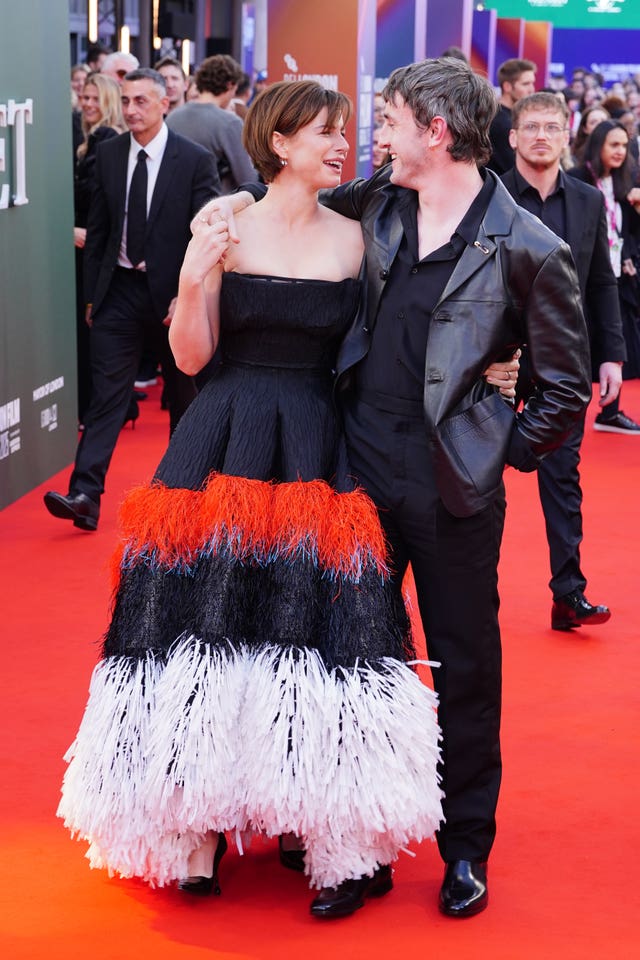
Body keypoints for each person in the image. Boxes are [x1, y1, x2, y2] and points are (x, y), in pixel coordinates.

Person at [55, 79, 445, 919]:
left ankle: (318, 819)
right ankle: (197, 827)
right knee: (205, 619)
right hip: (223, 436)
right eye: (325, 134)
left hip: (317, 443)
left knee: (315, 624)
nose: (343, 146)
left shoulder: (358, 239)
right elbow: (190, 362)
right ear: (279, 144)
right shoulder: (225, 227)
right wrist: (194, 280)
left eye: (346, 132)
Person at [213, 57, 591, 917]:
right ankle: (359, 847)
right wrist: (223, 211)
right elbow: (286, 203)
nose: (370, 137)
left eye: (385, 120)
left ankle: (466, 848)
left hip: (455, 494)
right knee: (355, 664)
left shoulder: (529, 244)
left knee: (464, 667)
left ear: (437, 131)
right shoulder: (378, 202)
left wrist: (499, 449)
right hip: (354, 472)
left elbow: (565, 390)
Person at [43, 68, 219, 532]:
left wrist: (190, 294)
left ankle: (187, 496)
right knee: (106, 397)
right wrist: (92, 297)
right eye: (125, 100)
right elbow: (99, 231)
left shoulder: (194, 159)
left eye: (141, 100)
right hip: (119, 290)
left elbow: (205, 235)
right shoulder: (108, 154)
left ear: (165, 104)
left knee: (184, 397)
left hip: (173, 295)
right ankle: (84, 495)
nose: (131, 109)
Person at [502, 92, 624, 629]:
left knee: (563, 477)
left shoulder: (588, 200)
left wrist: (612, 354)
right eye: (531, 126)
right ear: (513, 135)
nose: (541, 136)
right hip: (495, 361)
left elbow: (601, 282)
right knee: (476, 480)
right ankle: (474, 590)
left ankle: (568, 592)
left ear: (566, 132)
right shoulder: (490, 194)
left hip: (562, 364)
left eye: (552, 126)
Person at [570, 120, 640, 433]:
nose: (620, 152)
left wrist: (626, 256)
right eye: (613, 145)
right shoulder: (576, 180)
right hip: (580, 277)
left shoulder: (624, 185)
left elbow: (624, 231)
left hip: (614, 276)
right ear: (598, 145)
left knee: (616, 341)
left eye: (624, 146)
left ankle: (610, 411)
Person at [73, 73, 125, 425]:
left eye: (95, 98)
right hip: (88, 245)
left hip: (91, 247)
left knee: (92, 329)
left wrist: (83, 231)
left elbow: (102, 204)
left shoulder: (106, 139)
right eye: (85, 97)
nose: (88, 103)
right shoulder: (90, 140)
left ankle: (95, 408)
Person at [166, 54, 256, 194]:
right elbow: (247, 179)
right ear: (230, 85)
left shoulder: (172, 118)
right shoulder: (229, 123)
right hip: (215, 206)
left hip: (174, 202)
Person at [487, 58, 536, 175]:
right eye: (525, 84)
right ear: (507, 86)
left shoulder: (512, 116)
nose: (531, 89)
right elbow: (515, 168)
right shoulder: (500, 122)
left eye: (532, 83)